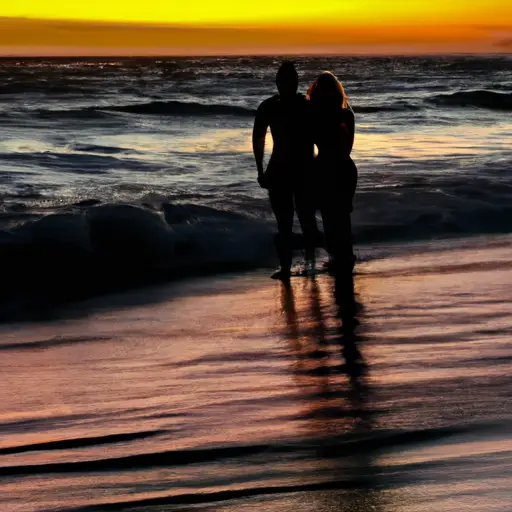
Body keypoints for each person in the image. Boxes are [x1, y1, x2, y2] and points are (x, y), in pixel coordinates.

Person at [252, 61, 317, 281]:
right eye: (286, 81)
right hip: (290, 169)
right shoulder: (303, 105)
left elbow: (258, 139)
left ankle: (297, 266)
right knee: (294, 220)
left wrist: (261, 170)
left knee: (294, 220)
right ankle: (303, 265)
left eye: (289, 81)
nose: (287, 85)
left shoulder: (277, 106)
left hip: (296, 168)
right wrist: (261, 170)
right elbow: (258, 139)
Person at [307, 71, 358, 277]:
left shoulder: (316, 115)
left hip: (326, 166)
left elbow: (310, 143)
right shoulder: (346, 114)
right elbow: (348, 147)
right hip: (344, 166)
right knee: (342, 215)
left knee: (330, 216)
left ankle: (338, 257)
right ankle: (344, 256)